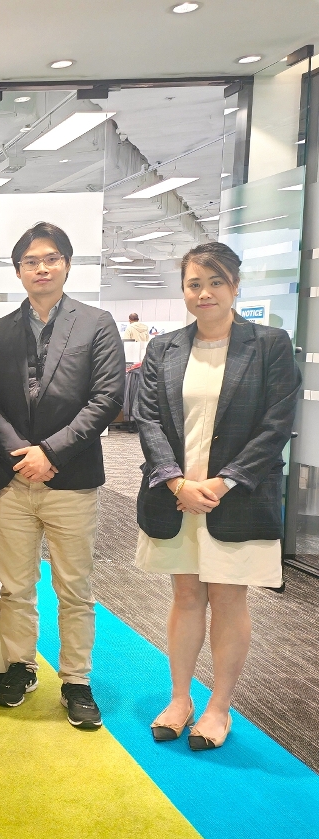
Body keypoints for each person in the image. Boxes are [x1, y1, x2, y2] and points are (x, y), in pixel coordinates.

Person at [134, 242, 300, 750]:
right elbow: (147, 418)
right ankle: (180, 699)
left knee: (228, 598)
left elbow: (276, 424)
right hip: (177, 495)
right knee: (186, 596)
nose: (204, 293)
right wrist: (176, 481)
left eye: (215, 282)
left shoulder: (270, 344)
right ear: (183, 290)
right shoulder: (164, 348)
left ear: (235, 286)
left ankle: (219, 708)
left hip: (239, 495)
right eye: (194, 284)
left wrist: (224, 481)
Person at [0, 223, 125, 729]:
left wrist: (50, 452)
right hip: (12, 478)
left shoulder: (97, 324)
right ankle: (19, 666)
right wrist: (22, 453)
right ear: (18, 270)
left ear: (66, 264)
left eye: (50, 259)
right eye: (30, 261)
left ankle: (76, 681)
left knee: (75, 587)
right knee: (15, 585)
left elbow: (107, 398)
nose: (41, 268)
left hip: (71, 478)